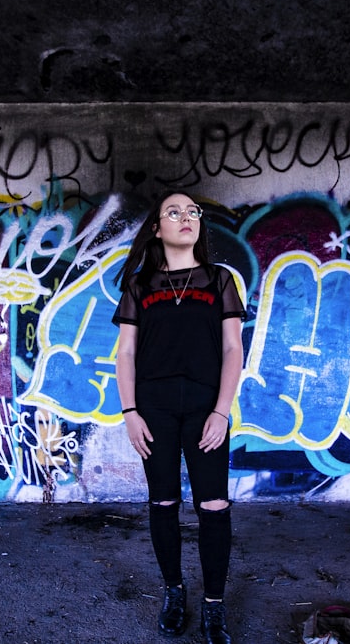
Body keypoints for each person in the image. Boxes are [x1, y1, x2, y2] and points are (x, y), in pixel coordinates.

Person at [112, 191, 246, 643]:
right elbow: (125, 353)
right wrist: (130, 412)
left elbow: (233, 349)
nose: (185, 217)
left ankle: (213, 605)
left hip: (207, 409)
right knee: (163, 502)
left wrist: (222, 413)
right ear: (157, 228)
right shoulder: (139, 285)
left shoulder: (220, 280)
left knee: (213, 505)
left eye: (192, 211)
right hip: (154, 410)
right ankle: (173, 591)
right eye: (174, 211)